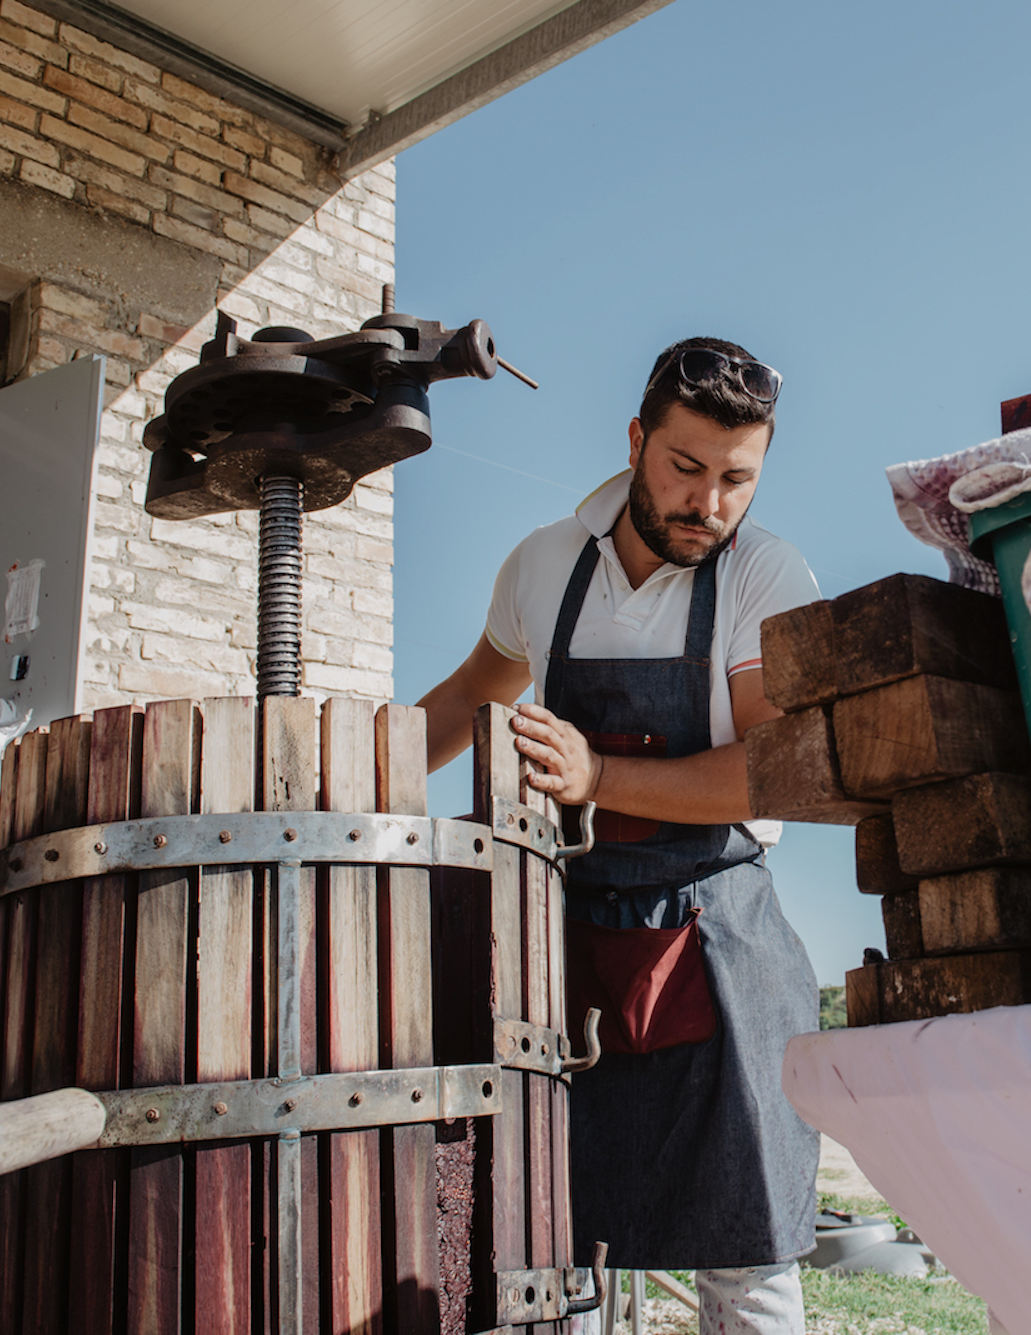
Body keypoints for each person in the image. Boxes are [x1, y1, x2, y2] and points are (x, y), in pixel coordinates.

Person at [414, 336, 822, 1334]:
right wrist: (357, 781)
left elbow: (763, 768)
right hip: (569, 948)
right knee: (558, 1236)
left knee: (746, 1251)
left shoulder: (764, 576)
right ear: (636, 441)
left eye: (736, 479)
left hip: (717, 941)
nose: (708, 504)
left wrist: (597, 774)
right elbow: (475, 688)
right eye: (686, 468)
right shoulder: (544, 566)